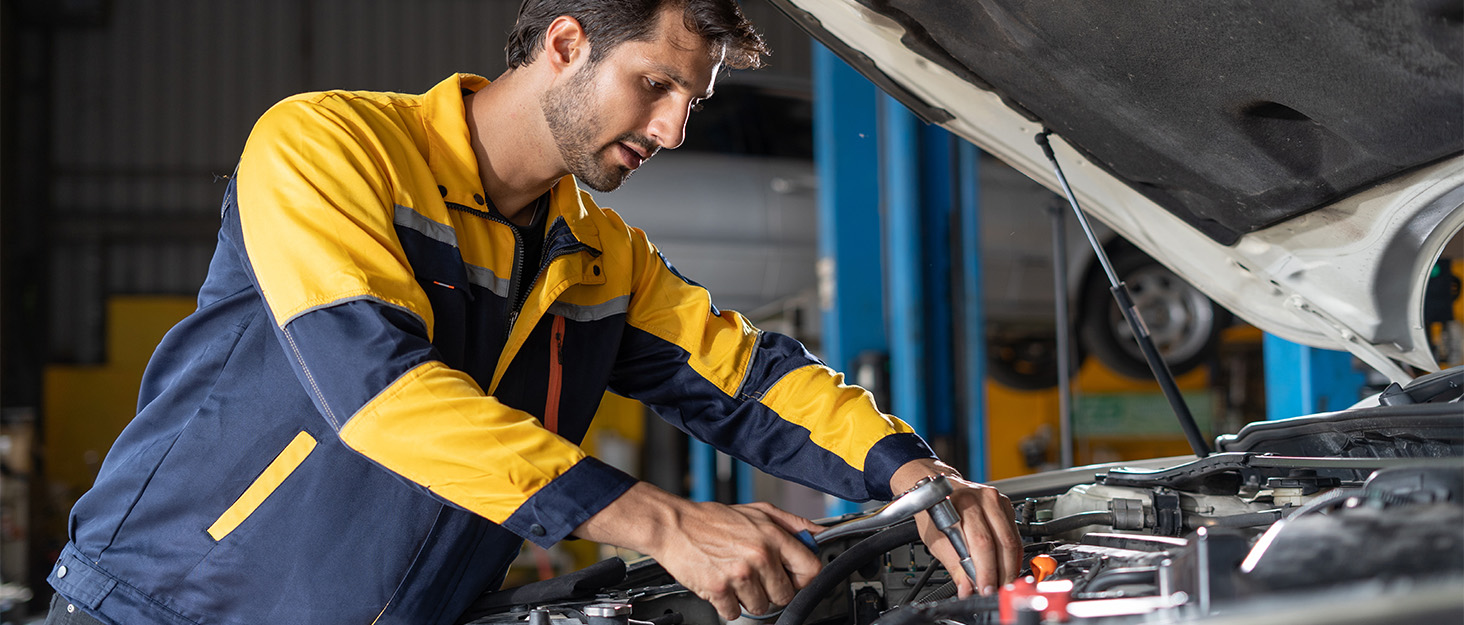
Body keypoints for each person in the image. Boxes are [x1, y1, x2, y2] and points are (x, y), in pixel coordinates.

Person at [45, 1, 1021, 623]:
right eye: (657, 84)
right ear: (565, 42)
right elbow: (379, 392)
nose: (675, 128)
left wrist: (918, 474)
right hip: (163, 607)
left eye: (694, 100)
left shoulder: (602, 260)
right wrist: (663, 522)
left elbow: (749, 378)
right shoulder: (327, 148)